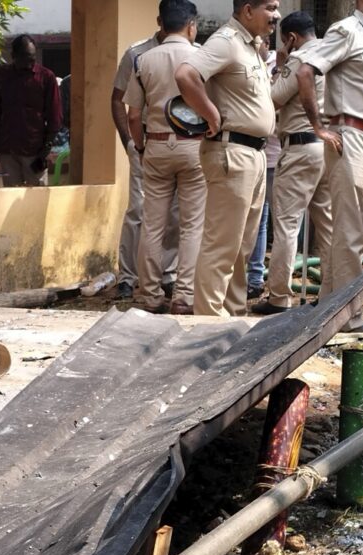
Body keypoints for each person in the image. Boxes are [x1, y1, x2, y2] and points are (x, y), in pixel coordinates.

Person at [176, 0, 281, 317]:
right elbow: (185, 75)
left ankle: (232, 315)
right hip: (231, 152)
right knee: (222, 244)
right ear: (248, 10)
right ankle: (208, 320)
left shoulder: (253, 46)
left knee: (241, 247)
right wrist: (210, 114)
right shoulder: (227, 41)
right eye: (270, 7)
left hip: (254, 154)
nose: (276, 14)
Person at [296, 0, 363, 330]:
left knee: (356, 233)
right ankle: (350, 316)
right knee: (350, 232)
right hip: (349, 134)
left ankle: (328, 307)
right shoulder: (347, 31)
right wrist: (318, 127)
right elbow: (305, 70)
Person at [123, 0, 206, 316]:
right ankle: (184, 296)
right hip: (194, 147)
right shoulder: (201, 57)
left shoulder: (142, 60)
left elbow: (133, 115)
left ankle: (150, 295)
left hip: (156, 145)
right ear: (191, 25)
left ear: (161, 24)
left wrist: (141, 146)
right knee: (192, 225)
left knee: (152, 224)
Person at [253, 11, 334, 315]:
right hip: (328, 148)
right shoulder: (332, 51)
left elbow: (272, 99)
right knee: (326, 224)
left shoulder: (299, 59)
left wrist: (282, 64)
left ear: (290, 38)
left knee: (287, 224)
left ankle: (279, 297)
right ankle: (331, 292)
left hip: (300, 148)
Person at [112, 23, 167, 300]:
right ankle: (128, 277)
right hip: (144, 139)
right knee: (137, 209)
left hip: (178, 141)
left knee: (177, 213)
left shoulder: (194, 53)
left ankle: (168, 275)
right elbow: (118, 99)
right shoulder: (137, 53)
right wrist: (129, 142)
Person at [0, 34, 62, 187]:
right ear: (14, 56)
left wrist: (45, 149)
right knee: (9, 195)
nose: (30, 62)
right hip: (8, 147)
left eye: (33, 58)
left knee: (37, 197)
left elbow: (54, 116)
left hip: (34, 149)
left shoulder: (46, 77)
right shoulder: (2, 75)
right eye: (26, 58)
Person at [245, 47, 282, 303]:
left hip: (277, 157)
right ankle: (254, 280)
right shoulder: (245, 64)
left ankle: (261, 279)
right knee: (256, 220)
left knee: (276, 220)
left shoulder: (278, 66)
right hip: (253, 155)